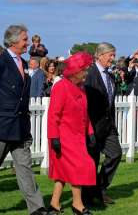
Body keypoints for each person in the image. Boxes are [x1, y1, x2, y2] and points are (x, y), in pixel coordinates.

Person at [0, 25, 47, 215]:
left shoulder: (22, 62)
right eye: (24, 39)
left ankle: (36, 207)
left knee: (25, 169)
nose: (28, 42)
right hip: (0, 126)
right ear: (13, 41)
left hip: (20, 126)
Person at [47, 52, 96, 215]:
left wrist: (90, 132)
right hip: (63, 136)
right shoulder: (61, 86)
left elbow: (85, 113)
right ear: (76, 71)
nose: (87, 73)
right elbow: (53, 115)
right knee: (79, 167)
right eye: (85, 69)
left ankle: (54, 204)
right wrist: (54, 137)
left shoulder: (80, 88)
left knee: (64, 171)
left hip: (78, 137)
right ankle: (77, 204)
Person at [83, 42, 122, 206]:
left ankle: (100, 188)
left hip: (108, 126)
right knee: (92, 161)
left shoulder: (110, 75)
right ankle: (88, 196)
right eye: (110, 55)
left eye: (114, 55)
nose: (113, 59)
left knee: (115, 154)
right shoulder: (90, 74)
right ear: (99, 55)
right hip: (92, 126)